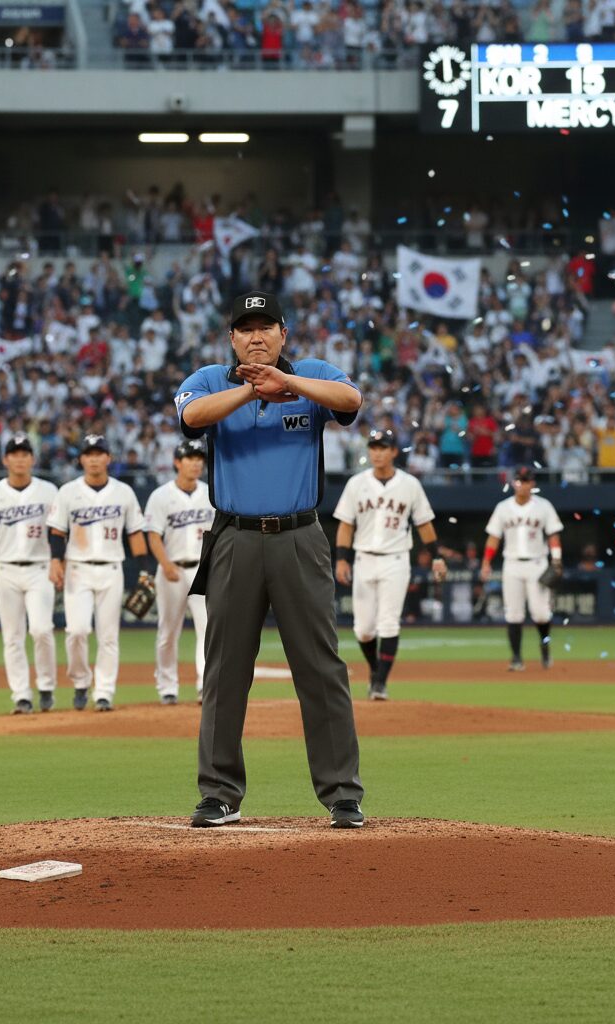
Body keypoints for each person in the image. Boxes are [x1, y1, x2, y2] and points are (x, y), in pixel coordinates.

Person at [175, 290, 365, 829]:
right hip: (233, 537)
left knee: (321, 667)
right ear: (231, 337)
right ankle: (219, 794)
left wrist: (287, 383)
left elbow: (351, 401)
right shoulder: (212, 378)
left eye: (265, 327)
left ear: (284, 333)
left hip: (301, 536)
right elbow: (192, 415)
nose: (255, 337)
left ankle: (342, 794)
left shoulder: (312, 373)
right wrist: (249, 389)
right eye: (245, 328)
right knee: (225, 669)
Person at [333, 428, 447, 700]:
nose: (377, 453)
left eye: (383, 447)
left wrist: (437, 556)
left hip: (396, 560)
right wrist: (341, 559)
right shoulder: (356, 484)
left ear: (394, 451)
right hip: (363, 559)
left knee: (388, 624)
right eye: (373, 447)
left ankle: (380, 683)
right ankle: (376, 670)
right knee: (363, 629)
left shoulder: (409, 484)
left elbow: (424, 524)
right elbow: (346, 524)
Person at [47, 434, 147, 711]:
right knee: (76, 631)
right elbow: (57, 531)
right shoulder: (68, 491)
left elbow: (135, 532)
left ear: (108, 458)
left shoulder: (123, 492)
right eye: (88, 453)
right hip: (77, 569)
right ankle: (80, 681)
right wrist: (56, 561)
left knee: (109, 636)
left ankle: (104, 692)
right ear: (81, 459)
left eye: (99, 453)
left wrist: (143, 572)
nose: (94, 458)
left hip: (111, 568)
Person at [0, 433, 58, 714]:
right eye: (14, 453)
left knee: (41, 630)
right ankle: (21, 695)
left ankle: (46, 686)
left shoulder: (49, 491)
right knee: (12, 636)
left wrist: (59, 560)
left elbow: (59, 531)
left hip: (40, 568)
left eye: (24, 453)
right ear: (6, 459)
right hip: (5, 570)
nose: (20, 458)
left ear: (32, 459)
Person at [143, 440, 213, 705]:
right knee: (168, 632)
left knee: (207, 631)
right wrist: (166, 564)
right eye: (189, 458)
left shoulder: (210, 493)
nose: (195, 463)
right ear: (177, 462)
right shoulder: (161, 496)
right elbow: (153, 535)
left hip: (202, 569)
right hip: (172, 568)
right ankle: (167, 686)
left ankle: (205, 686)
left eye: (199, 458)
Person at [480, 466, 564, 670]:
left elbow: (553, 534)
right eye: (519, 480)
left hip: (537, 563)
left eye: (526, 481)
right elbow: (493, 537)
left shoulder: (544, 506)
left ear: (532, 484)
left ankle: (545, 650)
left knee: (541, 614)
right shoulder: (503, 507)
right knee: (513, 614)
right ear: (513, 483)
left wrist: (557, 559)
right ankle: (516, 658)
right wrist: (486, 562)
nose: (522, 484)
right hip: (512, 564)